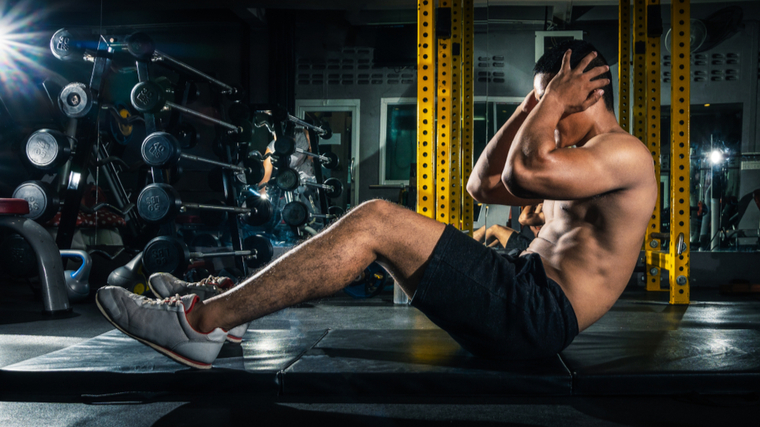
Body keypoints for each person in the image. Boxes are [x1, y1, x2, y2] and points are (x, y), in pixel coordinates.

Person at [96, 40, 657, 369]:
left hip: (539, 315)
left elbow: (523, 170)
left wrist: (553, 97)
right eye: (543, 104)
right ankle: (229, 308)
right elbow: (483, 186)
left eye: (554, 104)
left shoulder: (623, 155)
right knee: (376, 229)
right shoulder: (577, 154)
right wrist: (536, 100)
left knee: (374, 221)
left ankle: (199, 327)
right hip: (523, 288)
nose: (547, 117)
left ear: (592, 94)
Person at [472, 203, 544, 252]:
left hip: (533, 250)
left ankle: (465, 243)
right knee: (497, 237)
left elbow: (524, 219)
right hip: (536, 246)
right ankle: (475, 251)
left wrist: (532, 198)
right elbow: (535, 226)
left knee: (494, 229)